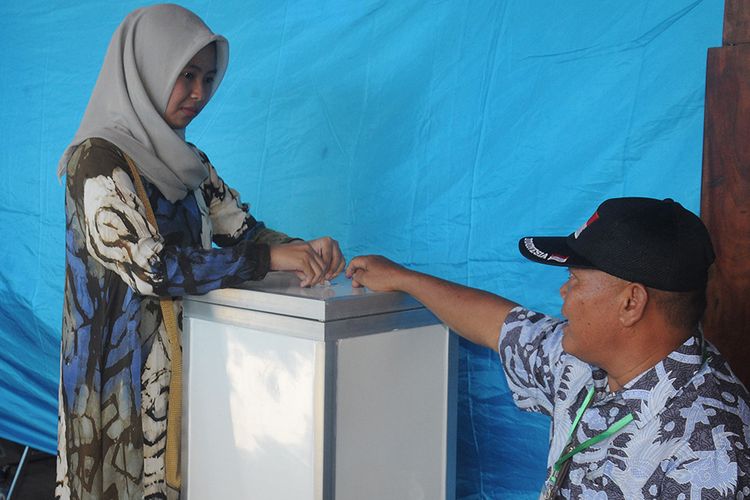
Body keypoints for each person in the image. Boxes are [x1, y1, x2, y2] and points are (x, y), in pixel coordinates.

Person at [56, 4, 344, 499]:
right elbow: (153, 269)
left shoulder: (190, 164)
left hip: (193, 363)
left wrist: (301, 248)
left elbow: (244, 233)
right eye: (185, 75)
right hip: (116, 380)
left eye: (208, 78)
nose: (199, 93)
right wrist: (269, 259)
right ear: (147, 68)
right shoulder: (96, 160)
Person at [346, 197, 750, 498]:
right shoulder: (586, 366)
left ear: (631, 302)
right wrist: (402, 278)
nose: (563, 294)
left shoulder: (708, 453)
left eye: (574, 280)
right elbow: (498, 324)